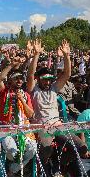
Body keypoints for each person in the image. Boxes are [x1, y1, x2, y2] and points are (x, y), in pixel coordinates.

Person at [26, 39, 87, 176]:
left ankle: (58, 165)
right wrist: (36, 54)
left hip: (58, 126)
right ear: (39, 79)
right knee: (47, 148)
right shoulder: (34, 89)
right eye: (44, 79)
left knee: (81, 148)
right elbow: (30, 75)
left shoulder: (54, 87)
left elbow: (67, 74)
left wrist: (66, 56)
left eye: (49, 79)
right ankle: (44, 167)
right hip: (42, 127)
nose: (47, 81)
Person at [0, 58, 37, 175]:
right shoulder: (4, 92)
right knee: (11, 151)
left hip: (24, 128)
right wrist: (11, 66)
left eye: (21, 78)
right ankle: (19, 167)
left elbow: (30, 115)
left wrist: (22, 100)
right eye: (16, 78)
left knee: (32, 149)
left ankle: (13, 169)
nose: (19, 80)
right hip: (7, 129)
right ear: (10, 80)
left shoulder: (26, 94)